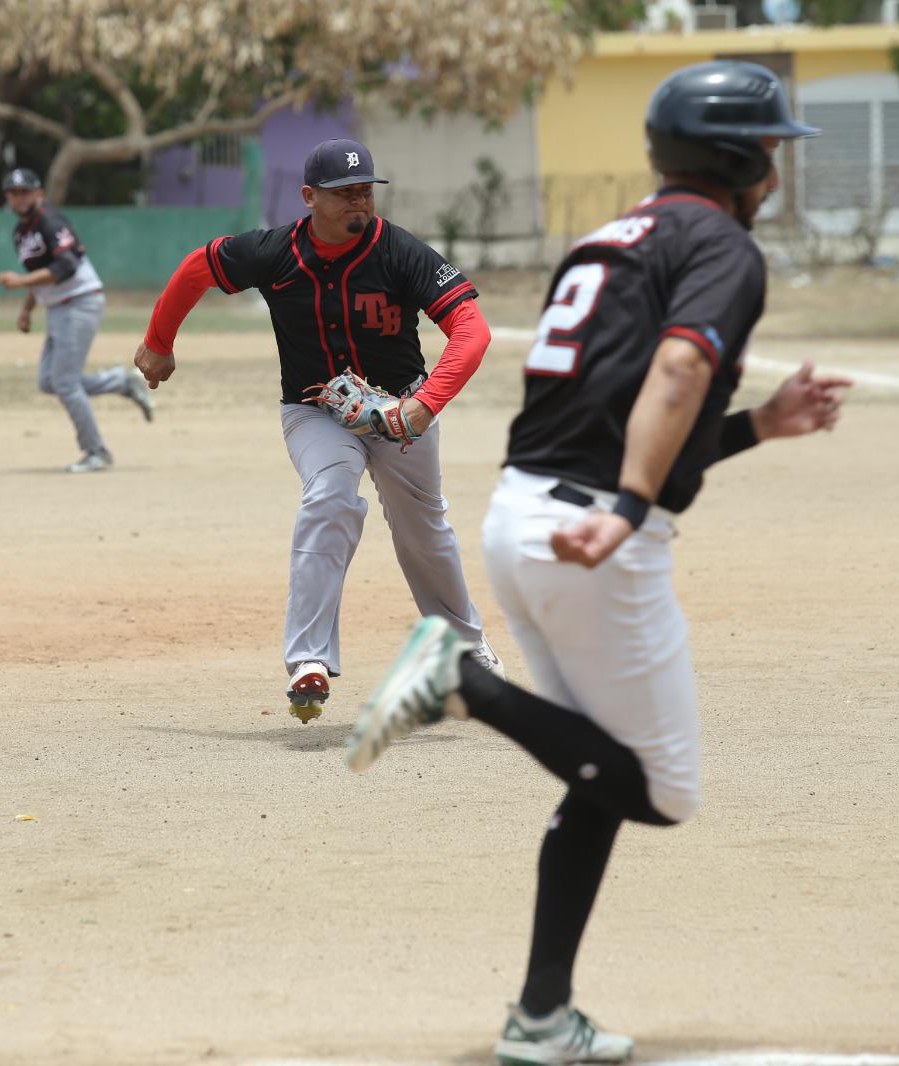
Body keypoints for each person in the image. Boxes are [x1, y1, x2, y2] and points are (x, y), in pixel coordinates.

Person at [344, 62, 852, 1065]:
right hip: (591, 538)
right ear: (738, 157)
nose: (778, 170)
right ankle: (457, 682)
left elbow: (627, 410)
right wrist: (626, 509)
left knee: (595, 773)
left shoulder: (611, 238)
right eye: (771, 150)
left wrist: (757, 426)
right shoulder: (721, 245)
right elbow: (676, 370)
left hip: (526, 519)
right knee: (661, 790)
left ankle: (539, 1015)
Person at [133, 138, 502, 720]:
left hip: (400, 409)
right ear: (309, 198)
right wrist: (159, 341)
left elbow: (472, 330)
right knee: (329, 495)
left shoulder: (399, 252)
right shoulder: (275, 252)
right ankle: (308, 661)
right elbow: (198, 267)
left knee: (423, 531)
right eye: (343, 194)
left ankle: (465, 647)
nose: (359, 203)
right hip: (315, 412)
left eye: (365, 192)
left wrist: (424, 405)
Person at [0, 167, 152, 473]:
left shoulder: (51, 222)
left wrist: (19, 282)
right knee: (49, 381)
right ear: (8, 199)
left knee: (65, 382)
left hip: (81, 302)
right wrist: (27, 309)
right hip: (58, 307)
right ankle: (122, 382)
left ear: (39, 193)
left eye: (25, 191)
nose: (20, 197)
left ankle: (97, 452)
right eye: (14, 193)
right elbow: (39, 277)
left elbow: (66, 265)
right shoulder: (21, 233)